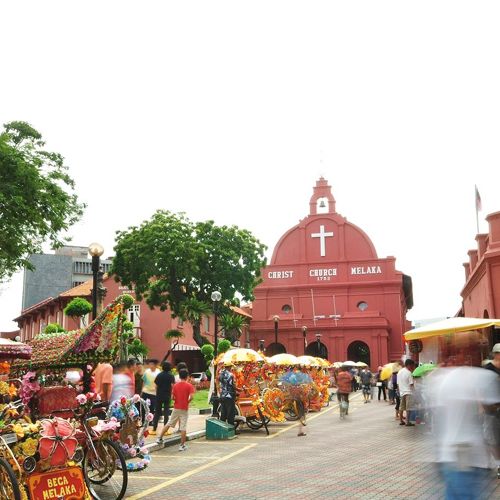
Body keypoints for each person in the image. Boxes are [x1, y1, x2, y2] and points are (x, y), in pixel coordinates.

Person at [428, 366, 500, 498]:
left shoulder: (440, 379)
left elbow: (438, 420)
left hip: (448, 455)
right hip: (469, 456)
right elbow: (491, 412)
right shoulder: (483, 377)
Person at [156, 369, 195, 451]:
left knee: (169, 423)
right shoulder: (189, 386)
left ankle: (159, 438)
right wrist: (187, 401)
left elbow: (172, 397)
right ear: (187, 376)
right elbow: (191, 397)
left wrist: (177, 400)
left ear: (179, 376)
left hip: (176, 407)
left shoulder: (175, 386)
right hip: (184, 408)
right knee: (183, 426)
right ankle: (182, 445)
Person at [151, 361, 175, 436]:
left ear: (163, 367)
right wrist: (172, 394)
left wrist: (157, 393)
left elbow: (156, 386)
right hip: (167, 396)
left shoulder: (159, 375)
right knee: (166, 413)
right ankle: (166, 430)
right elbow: (172, 386)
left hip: (159, 396)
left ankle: (154, 430)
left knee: (157, 413)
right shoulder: (171, 376)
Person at [218, 362, 237, 429]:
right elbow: (232, 385)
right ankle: (231, 430)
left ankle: (222, 429)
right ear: (229, 367)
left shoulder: (221, 374)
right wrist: (238, 390)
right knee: (230, 414)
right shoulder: (231, 375)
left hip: (222, 396)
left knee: (223, 413)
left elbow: (219, 382)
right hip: (229, 396)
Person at [397, 359, 416, 426]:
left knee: (401, 407)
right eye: (412, 365)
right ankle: (407, 422)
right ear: (409, 365)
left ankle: (401, 420)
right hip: (409, 392)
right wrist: (415, 392)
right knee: (408, 408)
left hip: (402, 392)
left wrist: (399, 391)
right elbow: (411, 384)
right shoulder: (409, 373)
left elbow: (398, 384)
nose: (413, 367)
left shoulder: (399, 372)